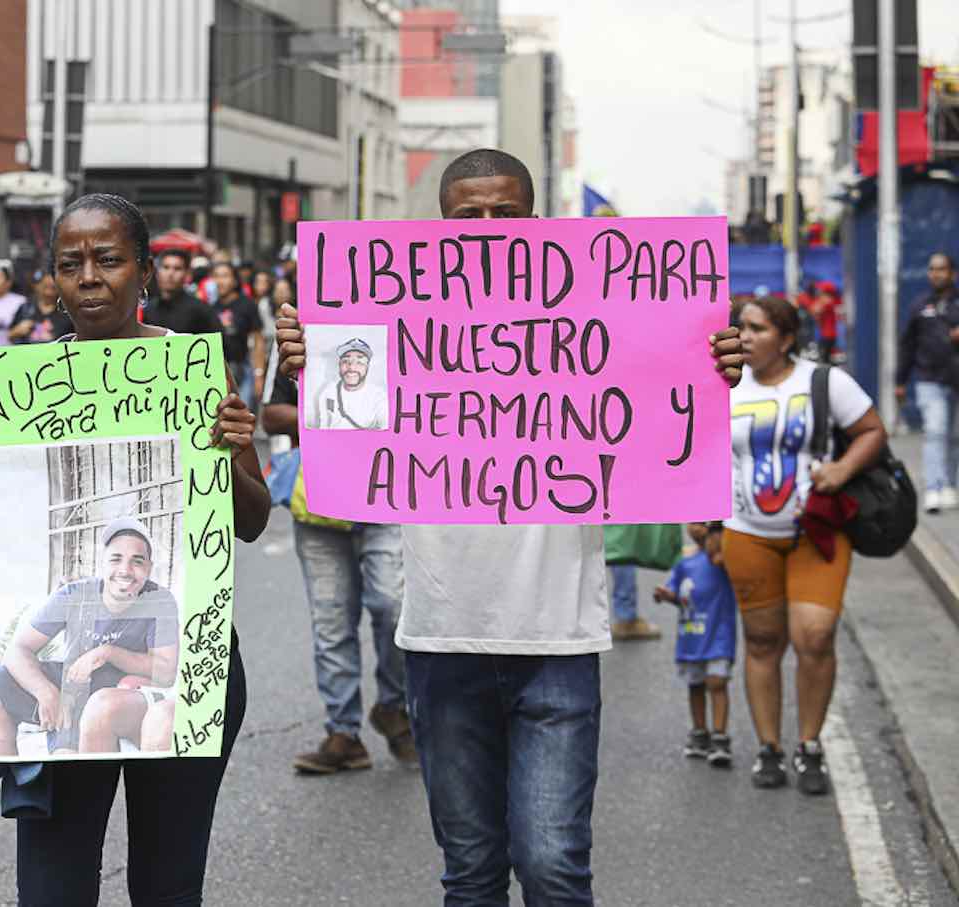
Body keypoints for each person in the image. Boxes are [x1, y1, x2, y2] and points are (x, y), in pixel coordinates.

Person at [275, 148, 745, 904]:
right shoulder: (392, 323)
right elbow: (343, 444)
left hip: (556, 638)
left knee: (555, 866)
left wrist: (708, 363)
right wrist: (311, 365)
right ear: (440, 225)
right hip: (442, 641)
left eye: (507, 214)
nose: (489, 230)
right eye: (470, 216)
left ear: (537, 223)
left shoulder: (598, 317)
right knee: (471, 873)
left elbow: (666, 390)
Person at [0, 192, 270, 905]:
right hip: (66, 681)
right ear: (52, 278)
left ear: (145, 272)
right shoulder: (10, 387)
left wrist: (233, 451)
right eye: (70, 262)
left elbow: (254, 519)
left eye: (108, 259)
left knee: (168, 883)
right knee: (52, 883)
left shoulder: (193, 370)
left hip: (187, 677)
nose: (89, 276)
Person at [727, 295, 885, 795]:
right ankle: (770, 747)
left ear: (787, 338)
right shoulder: (724, 386)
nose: (746, 337)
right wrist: (704, 523)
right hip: (746, 532)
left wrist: (841, 468)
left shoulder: (823, 380)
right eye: (742, 328)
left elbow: (871, 430)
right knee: (761, 641)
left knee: (815, 636)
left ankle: (810, 744)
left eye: (758, 328)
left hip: (815, 532)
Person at [263, 366, 414, 774]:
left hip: (388, 492)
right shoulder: (308, 333)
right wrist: (331, 413)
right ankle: (344, 733)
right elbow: (271, 415)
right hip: (319, 499)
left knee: (393, 607)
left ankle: (393, 706)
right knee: (330, 621)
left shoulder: (404, 326)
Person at [0, 518, 179, 756]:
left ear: (149, 568)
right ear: (102, 564)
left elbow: (165, 672)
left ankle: (67, 753)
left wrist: (107, 652)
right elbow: (17, 649)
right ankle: (12, 769)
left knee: (71, 754)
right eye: (116, 559)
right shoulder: (74, 594)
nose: (125, 570)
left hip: (117, 693)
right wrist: (45, 692)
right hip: (70, 683)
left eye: (137, 561)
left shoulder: (159, 601)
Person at [652, 522, 738, 768]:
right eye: (695, 522)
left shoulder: (722, 560)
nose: (698, 528)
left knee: (717, 682)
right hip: (692, 636)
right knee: (695, 685)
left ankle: (720, 735)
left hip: (719, 634)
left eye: (706, 524)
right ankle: (700, 732)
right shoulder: (684, 562)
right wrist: (665, 595)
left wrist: (718, 542)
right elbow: (680, 596)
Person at [896, 252, 959, 513]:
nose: (936, 274)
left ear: (952, 273)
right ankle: (933, 486)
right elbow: (908, 345)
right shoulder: (920, 306)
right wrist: (900, 381)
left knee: (954, 436)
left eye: (942, 269)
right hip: (928, 379)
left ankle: (949, 484)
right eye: (932, 269)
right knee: (935, 431)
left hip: (955, 380)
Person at [211, 262, 264, 412]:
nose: (220, 281)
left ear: (234, 280)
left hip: (243, 368)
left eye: (225, 276)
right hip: (219, 370)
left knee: (244, 413)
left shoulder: (247, 305)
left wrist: (259, 374)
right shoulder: (211, 307)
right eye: (217, 276)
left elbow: (258, 340)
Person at [310, 337, 385, 430]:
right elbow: (323, 429)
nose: (352, 367)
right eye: (346, 361)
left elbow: (386, 431)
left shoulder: (379, 396)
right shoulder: (327, 393)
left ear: (367, 367)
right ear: (339, 365)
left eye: (359, 362)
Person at [142, 249, 222, 337]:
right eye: (166, 267)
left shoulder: (201, 310)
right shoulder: (149, 309)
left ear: (187, 274)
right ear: (157, 272)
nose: (170, 273)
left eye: (177, 268)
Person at [9, 272, 72, 344]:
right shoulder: (25, 309)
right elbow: (9, 335)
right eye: (45, 287)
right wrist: (17, 331)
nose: (48, 292)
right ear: (37, 286)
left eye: (53, 288)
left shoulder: (66, 313)